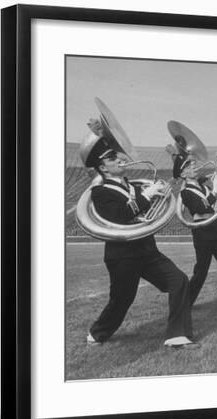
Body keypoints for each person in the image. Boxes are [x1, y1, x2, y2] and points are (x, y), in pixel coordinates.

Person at [81, 128, 199, 349]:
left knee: (179, 281)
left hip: (147, 251)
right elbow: (122, 215)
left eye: (116, 155)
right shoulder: (100, 193)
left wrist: (161, 191)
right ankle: (97, 333)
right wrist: (147, 195)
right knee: (122, 300)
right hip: (122, 255)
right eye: (111, 158)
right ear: (103, 167)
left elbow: (146, 209)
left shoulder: (134, 186)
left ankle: (177, 335)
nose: (118, 159)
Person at [173, 152, 217, 311]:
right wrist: (216, 190)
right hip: (202, 231)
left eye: (192, 164)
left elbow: (213, 205)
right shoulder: (185, 192)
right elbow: (202, 207)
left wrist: (216, 187)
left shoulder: (203, 186)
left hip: (216, 228)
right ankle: (186, 302)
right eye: (188, 166)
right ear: (183, 173)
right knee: (201, 271)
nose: (193, 165)